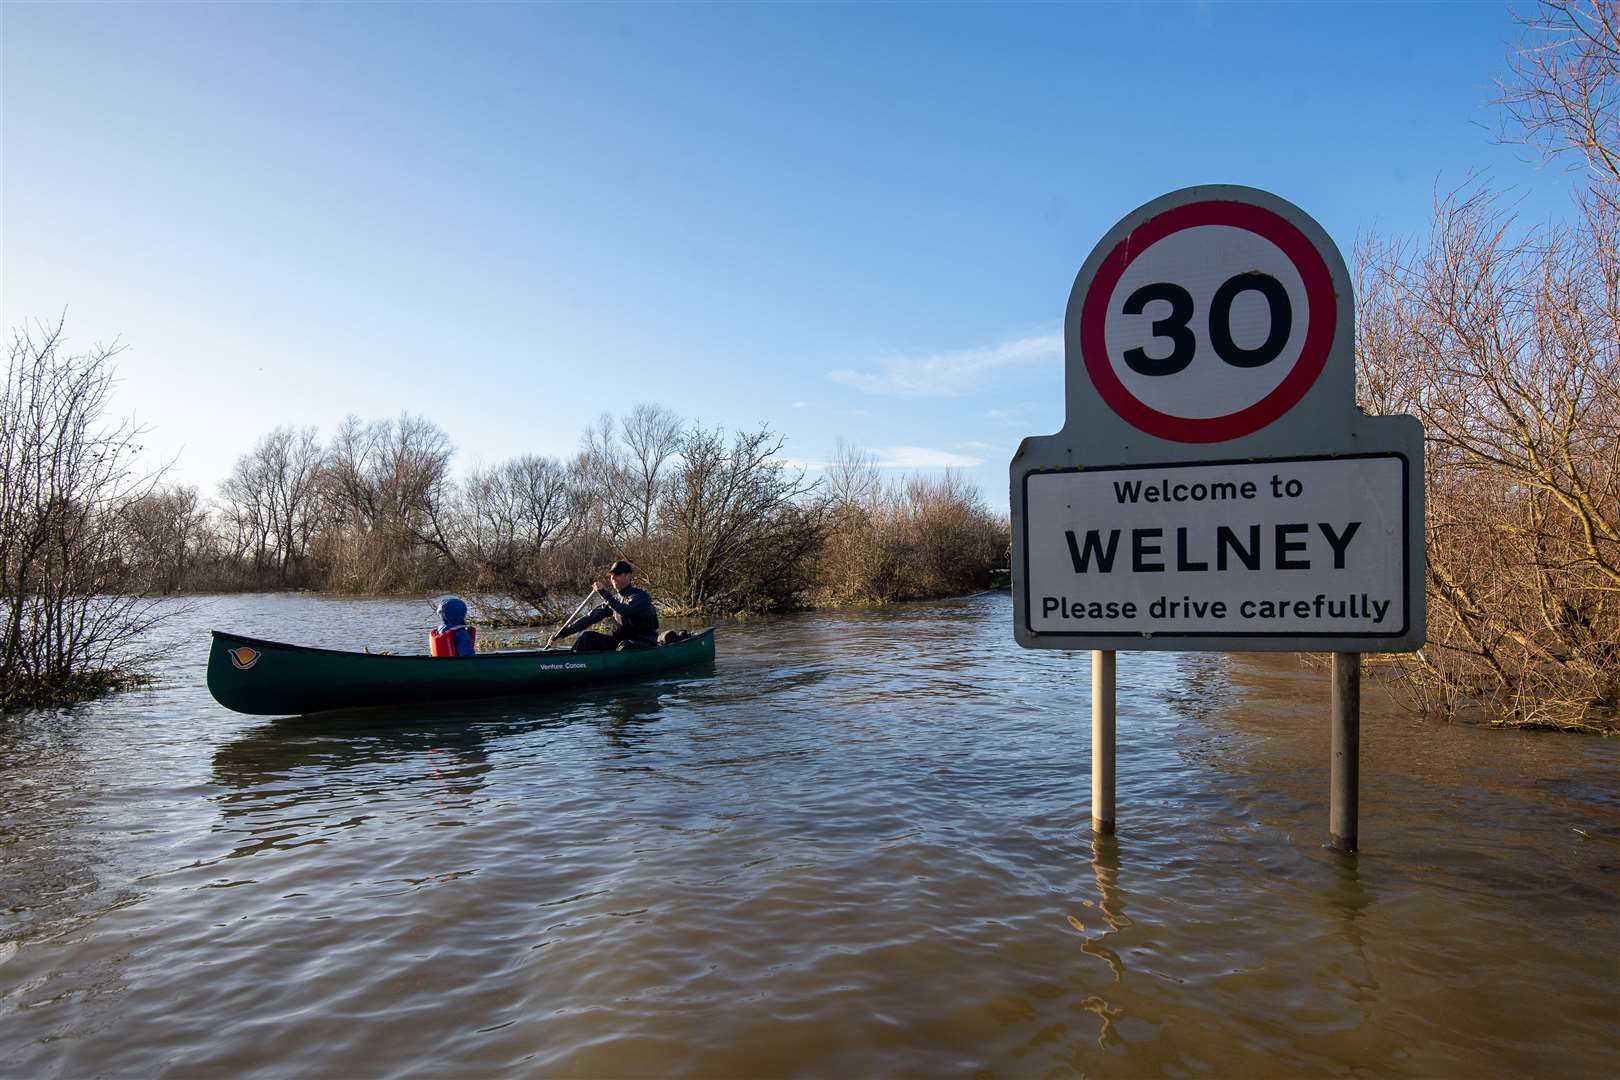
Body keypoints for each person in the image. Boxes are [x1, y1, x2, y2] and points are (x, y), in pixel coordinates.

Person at [547, 560, 659, 653]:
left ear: (628, 576)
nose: (613, 578)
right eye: (611, 576)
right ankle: (570, 663)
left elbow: (625, 611)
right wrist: (562, 633)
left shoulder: (641, 596)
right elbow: (589, 618)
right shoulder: (613, 600)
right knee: (588, 637)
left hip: (644, 643)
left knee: (624, 646)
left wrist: (604, 594)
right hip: (620, 643)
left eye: (617, 575)